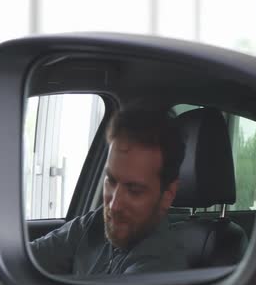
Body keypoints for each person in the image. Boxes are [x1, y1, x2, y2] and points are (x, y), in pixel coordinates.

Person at [30, 109, 187, 276]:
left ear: (167, 194)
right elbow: (26, 259)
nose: (114, 205)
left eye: (134, 190)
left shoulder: (161, 268)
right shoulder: (94, 224)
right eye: (111, 181)